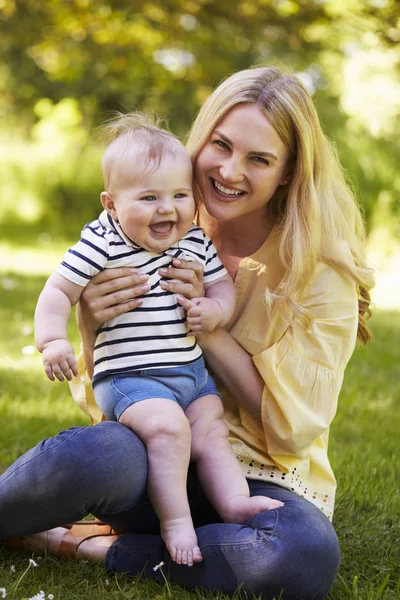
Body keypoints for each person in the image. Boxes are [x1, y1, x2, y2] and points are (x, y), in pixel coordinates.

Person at [0, 66, 374, 600]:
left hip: (258, 479)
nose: (229, 169)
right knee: (94, 455)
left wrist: (206, 323)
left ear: (289, 172)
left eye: (259, 159)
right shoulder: (157, 214)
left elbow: (290, 432)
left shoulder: (319, 273)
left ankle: (85, 544)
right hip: (154, 457)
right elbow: (110, 391)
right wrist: (88, 327)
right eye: (220, 144)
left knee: (300, 556)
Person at [33, 113, 282, 567]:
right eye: (149, 197)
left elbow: (221, 286)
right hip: (132, 377)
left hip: (190, 372)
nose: (167, 208)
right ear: (111, 204)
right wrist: (53, 340)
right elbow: (58, 291)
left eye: (179, 195)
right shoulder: (103, 242)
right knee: (169, 429)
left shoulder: (193, 240)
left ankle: (233, 502)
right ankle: (176, 522)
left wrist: (217, 309)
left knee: (211, 431)